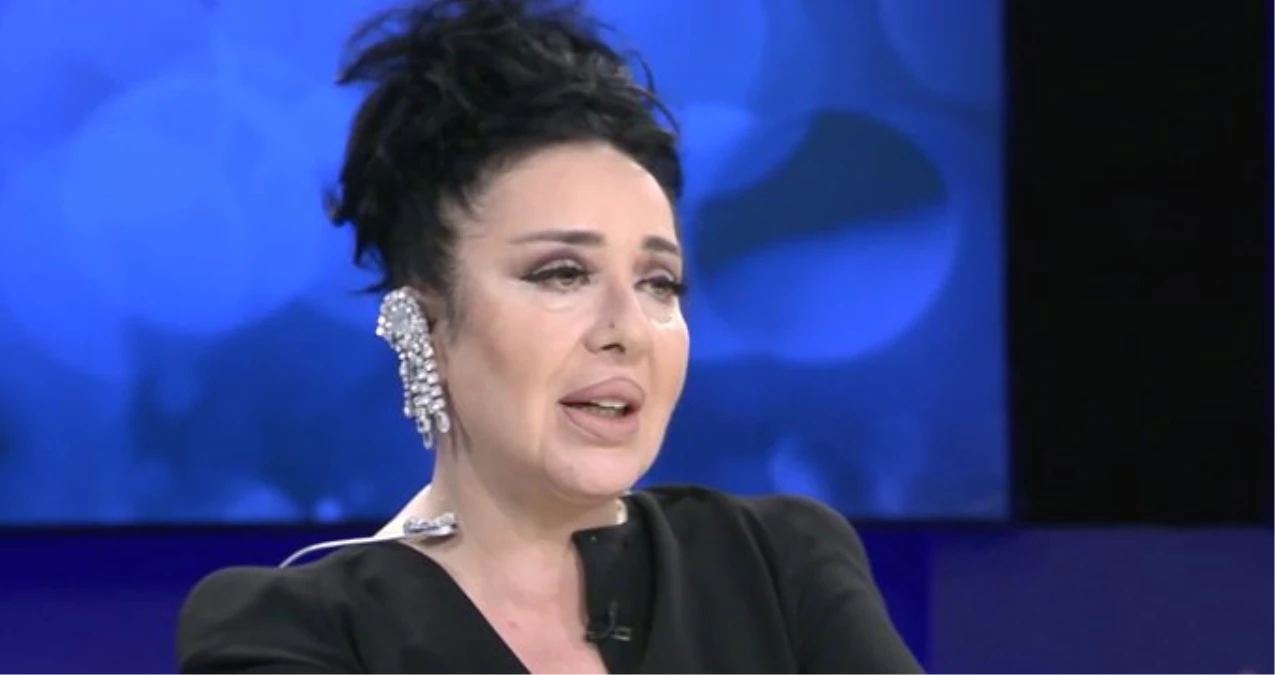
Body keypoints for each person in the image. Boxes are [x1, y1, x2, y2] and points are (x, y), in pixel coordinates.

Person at [177, 0, 924, 673]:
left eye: (658, 282)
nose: (628, 331)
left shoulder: (778, 565)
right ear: (425, 323)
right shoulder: (298, 632)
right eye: (563, 273)